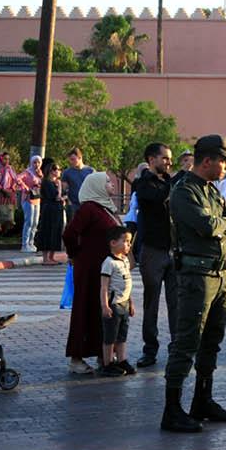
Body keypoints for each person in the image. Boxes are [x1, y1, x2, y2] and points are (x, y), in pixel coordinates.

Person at [162, 134, 226, 433]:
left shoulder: (211, 191)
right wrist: (222, 225)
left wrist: (221, 225)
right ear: (207, 161)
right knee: (186, 342)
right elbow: (208, 225)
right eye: (223, 160)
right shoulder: (184, 191)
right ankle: (172, 409)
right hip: (196, 276)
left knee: (212, 341)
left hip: (220, 274)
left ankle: (202, 399)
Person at [62, 171, 121, 375]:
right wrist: (75, 254)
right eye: (106, 182)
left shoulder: (105, 208)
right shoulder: (89, 208)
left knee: (100, 311)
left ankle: (101, 353)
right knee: (84, 310)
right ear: (95, 185)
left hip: (104, 269)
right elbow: (69, 233)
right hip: (89, 269)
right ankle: (76, 358)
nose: (111, 184)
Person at [132, 143, 177, 368]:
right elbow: (157, 197)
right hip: (152, 251)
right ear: (152, 159)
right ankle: (150, 350)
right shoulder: (142, 183)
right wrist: (176, 184)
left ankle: (177, 347)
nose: (169, 162)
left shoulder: (170, 182)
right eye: (165, 158)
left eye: (170, 159)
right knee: (151, 304)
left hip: (173, 251)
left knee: (176, 303)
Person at [99, 226, 137, 377]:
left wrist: (131, 303)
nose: (129, 245)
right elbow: (103, 287)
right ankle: (107, 363)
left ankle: (122, 360)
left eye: (129, 242)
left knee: (122, 335)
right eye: (126, 241)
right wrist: (105, 306)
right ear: (113, 243)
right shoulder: (109, 262)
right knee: (110, 337)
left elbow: (128, 284)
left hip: (125, 304)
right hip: (113, 305)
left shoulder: (125, 261)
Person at [35, 158, 66, 266]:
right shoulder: (47, 182)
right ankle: (45, 257)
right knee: (48, 231)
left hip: (57, 209)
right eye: (57, 169)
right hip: (49, 209)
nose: (59, 171)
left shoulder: (56, 182)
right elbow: (55, 197)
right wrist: (60, 189)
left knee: (56, 232)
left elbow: (61, 197)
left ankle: (52, 256)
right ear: (51, 171)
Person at [0, 151, 18, 236]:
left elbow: (15, 179)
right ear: (1, 158)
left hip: (10, 194)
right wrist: (2, 189)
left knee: (9, 213)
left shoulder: (10, 168)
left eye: (8, 159)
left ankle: (6, 232)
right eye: (5, 159)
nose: (7, 161)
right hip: (0, 194)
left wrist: (11, 189)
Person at [62, 148, 94, 221]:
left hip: (87, 204)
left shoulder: (90, 171)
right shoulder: (67, 172)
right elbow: (64, 189)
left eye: (73, 159)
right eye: (70, 160)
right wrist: (68, 201)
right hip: (73, 205)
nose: (71, 162)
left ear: (80, 158)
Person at [18, 155, 41, 253]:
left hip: (37, 199)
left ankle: (31, 243)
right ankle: (25, 244)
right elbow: (18, 178)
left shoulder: (40, 173)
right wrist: (25, 187)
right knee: (29, 221)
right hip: (28, 199)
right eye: (34, 162)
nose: (36, 164)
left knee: (35, 222)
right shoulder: (27, 172)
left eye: (38, 162)